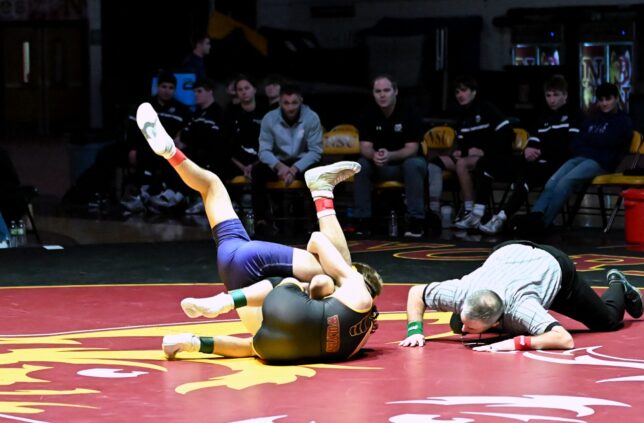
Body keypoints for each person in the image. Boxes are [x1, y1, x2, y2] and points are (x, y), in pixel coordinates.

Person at [132, 102, 381, 362]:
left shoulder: (340, 291)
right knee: (211, 187)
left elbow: (318, 250)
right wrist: (193, 343)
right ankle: (171, 152)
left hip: (254, 266)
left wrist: (325, 273)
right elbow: (247, 348)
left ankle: (321, 191)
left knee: (339, 267)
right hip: (232, 268)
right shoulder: (288, 338)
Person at [399, 240, 644, 351]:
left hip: (554, 269)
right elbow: (416, 293)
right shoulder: (462, 291)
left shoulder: (521, 308)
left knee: (608, 321)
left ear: (498, 321)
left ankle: (618, 285)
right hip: (510, 249)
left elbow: (563, 339)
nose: (463, 325)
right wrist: (415, 330)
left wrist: (517, 343)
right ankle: (477, 323)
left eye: (470, 323)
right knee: (456, 326)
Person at [512, 82, 632, 233]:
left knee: (565, 182)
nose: (604, 103)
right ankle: (535, 216)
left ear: (616, 98)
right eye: (601, 100)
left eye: (608, 99)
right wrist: (592, 144)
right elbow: (577, 142)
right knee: (552, 182)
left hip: (601, 162)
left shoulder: (623, 121)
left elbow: (609, 143)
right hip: (582, 157)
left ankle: (543, 223)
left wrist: (591, 144)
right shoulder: (593, 118)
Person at [478, 75, 579, 235]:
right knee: (489, 165)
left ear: (565, 95)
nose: (552, 99)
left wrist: (541, 151)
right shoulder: (542, 117)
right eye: (548, 95)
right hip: (535, 161)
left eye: (556, 95)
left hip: (557, 165)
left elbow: (570, 147)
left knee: (526, 176)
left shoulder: (574, 115)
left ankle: (501, 217)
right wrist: (527, 151)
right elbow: (534, 141)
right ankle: (477, 213)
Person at [428, 76, 512, 231]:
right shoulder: (462, 115)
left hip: (491, 157)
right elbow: (464, 143)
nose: (460, 95)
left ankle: (469, 210)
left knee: (461, 163)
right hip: (469, 158)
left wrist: (485, 150)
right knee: (435, 162)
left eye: (464, 90)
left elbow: (507, 134)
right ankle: (434, 210)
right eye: (457, 92)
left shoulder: (487, 108)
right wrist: (459, 151)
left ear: (474, 92)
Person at [352, 74, 427, 237]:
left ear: (396, 91)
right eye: (378, 91)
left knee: (414, 164)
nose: (382, 95)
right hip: (378, 165)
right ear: (373, 93)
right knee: (361, 165)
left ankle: (416, 221)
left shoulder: (410, 112)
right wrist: (374, 155)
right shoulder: (368, 113)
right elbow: (364, 147)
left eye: (386, 90)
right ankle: (362, 221)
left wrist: (390, 155)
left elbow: (412, 148)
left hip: (403, 164)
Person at [250, 82, 323, 230]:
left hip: (302, 161)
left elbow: (316, 151)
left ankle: (317, 221)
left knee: (317, 173)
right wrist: (280, 167)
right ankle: (261, 221)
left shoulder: (312, 118)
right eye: (286, 103)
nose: (290, 107)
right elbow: (264, 151)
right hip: (279, 161)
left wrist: (295, 169)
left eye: (294, 103)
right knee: (257, 172)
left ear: (301, 101)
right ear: (280, 102)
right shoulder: (269, 119)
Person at [121, 71, 192, 213]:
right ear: (158, 87)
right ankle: (144, 194)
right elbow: (132, 130)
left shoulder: (182, 110)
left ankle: (154, 195)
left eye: (171, 88)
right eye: (164, 87)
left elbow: (187, 133)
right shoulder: (144, 106)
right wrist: (132, 149)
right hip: (145, 148)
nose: (167, 91)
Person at [178, 78, 231, 214]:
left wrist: (193, 139)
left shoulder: (219, 113)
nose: (196, 94)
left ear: (210, 92)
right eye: (195, 91)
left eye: (199, 91)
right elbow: (183, 136)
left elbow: (214, 140)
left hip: (211, 158)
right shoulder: (195, 115)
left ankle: (202, 199)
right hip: (194, 155)